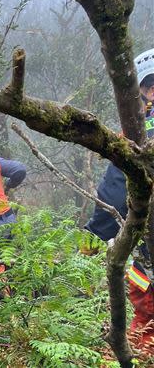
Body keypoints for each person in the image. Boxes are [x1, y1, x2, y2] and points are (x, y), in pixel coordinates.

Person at [86, 47, 154, 347]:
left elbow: (115, 190)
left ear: (149, 89)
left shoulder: (140, 133)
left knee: (145, 327)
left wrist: (97, 232)